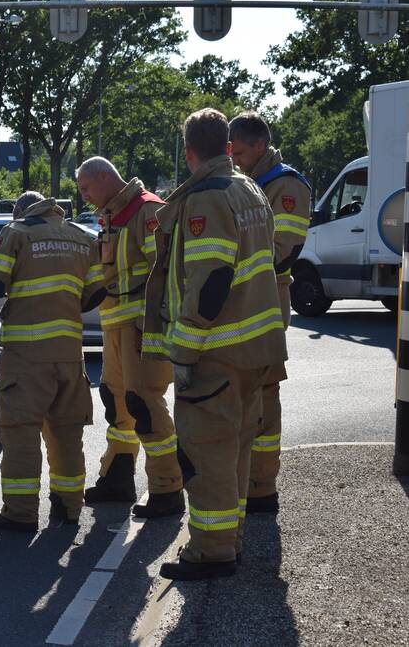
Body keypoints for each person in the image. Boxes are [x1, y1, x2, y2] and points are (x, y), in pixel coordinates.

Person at [142, 108, 287, 580]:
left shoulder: (205, 199)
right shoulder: (249, 189)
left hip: (217, 355)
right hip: (257, 350)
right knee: (238, 448)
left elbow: (211, 282)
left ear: (188, 153)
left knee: (207, 453)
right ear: (227, 147)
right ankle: (231, 537)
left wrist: (182, 350)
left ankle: (210, 550)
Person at [0, 191, 106, 532]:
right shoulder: (80, 238)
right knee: (67, 432)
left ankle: (20, 513)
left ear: (20, 210)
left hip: (26, 355)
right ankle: (69, 507)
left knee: (20, 433)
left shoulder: (17, 232)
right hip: (69, 354)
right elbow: (95, 293)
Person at [76, 157, 184, 518]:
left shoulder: (147, 211)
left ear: (106, 178)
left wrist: (156, 326)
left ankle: (168, 489)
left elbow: (167, 272)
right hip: (115, 326)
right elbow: (105, 270)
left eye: (85, 187)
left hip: (142, 328)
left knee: (145, 404)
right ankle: (118, 478)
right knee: (117, 403)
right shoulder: (110, 215)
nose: (83, 195)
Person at [229, 112, 312, 514]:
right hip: (247, 297)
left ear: (260, 145)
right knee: (244, 389)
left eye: (241, 152)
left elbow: (285, 251)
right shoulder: (246, 184)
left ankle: (262, 485)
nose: (236, 159)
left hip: (268, 297)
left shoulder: (286, 185)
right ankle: (247, 478)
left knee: (265, 390)